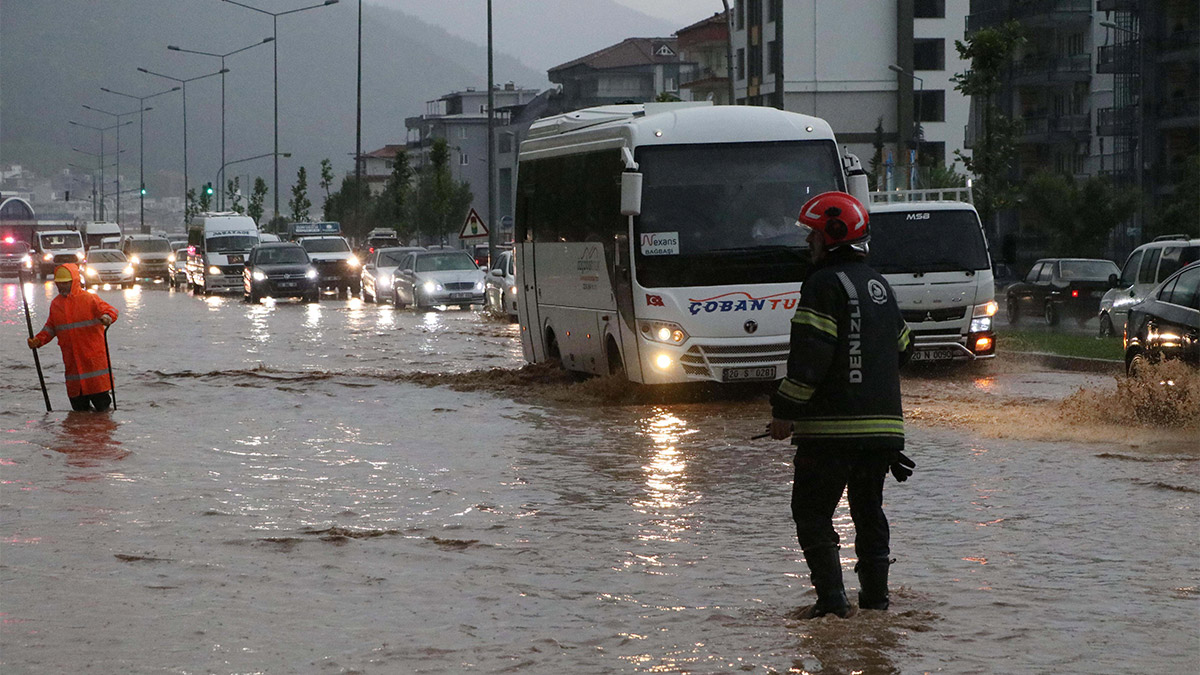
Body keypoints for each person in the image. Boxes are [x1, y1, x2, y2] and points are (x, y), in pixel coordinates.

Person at [769, 191, 914, 619]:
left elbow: (809, 361)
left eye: (811, 234)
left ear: (831, 236)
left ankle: (833, 605)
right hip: (883, 436)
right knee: (869, 514)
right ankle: (876, 605)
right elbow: (904, 348)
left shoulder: (822, 285)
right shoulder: (878, 285)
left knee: (811, 513)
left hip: (831, 433)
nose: (807, 243)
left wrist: (784, 411)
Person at [26, 263, 119, 412]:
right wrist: (38, 340)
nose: (62, 287)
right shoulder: (56, 305)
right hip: (73, 370)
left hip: (95, 368)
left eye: (66, 283)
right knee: (78, 417)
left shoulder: (90, 299)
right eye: (59, 283)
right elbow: (50, 328)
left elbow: (111, 310)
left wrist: (107, 317)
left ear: (74, 281)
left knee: (103, 416)